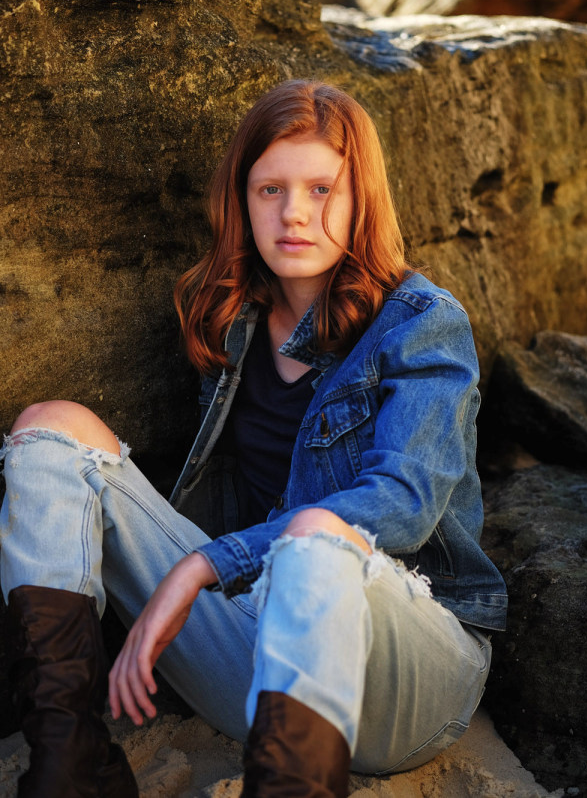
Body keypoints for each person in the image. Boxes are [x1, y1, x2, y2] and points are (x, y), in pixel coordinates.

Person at [0, 80, 507, 798]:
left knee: (316, 533)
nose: (294, 213)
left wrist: (206, 563)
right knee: (48, 431)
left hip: (410, 676)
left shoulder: (421, 322)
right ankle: (68, 760)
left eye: (323, 188)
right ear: (241, 200)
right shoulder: (231, 321)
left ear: (364, 199)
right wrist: (207, 563)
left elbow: (406, 501)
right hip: (264, 658)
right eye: (270, 189)